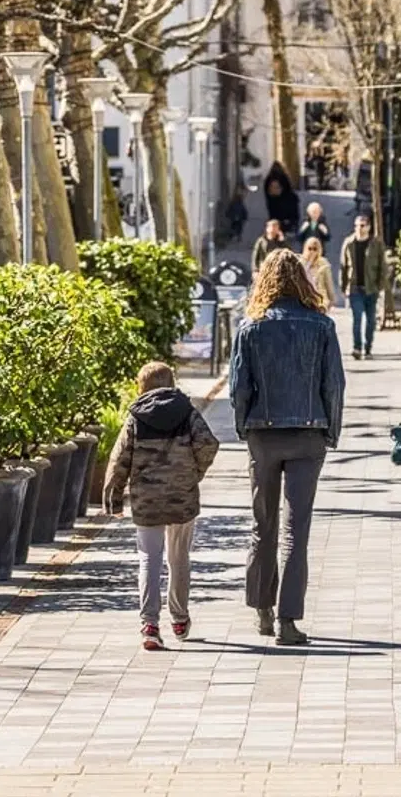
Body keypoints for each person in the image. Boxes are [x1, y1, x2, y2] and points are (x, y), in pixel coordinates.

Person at [230, 249, 345, 646]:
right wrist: (332, 430)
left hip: (263, 432)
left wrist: (244, 428)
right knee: (296, 531)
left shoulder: (251, 328)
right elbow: (333, 386)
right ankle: (288, 621)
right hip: (308, 432)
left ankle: (261, 609)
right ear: (303, 281)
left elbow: (238, 388)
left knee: (263, 525)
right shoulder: (321, 326)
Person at [104, 361, 220, 650]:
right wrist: (193, 473)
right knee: (179, 558)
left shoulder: (136, 418)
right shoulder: (187, 412)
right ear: (172, 382)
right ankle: (179, 618)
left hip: (147, 499)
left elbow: (120, 460)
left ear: (140, 386)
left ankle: (150, 624)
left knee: (149, 558)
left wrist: (114, 498)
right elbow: (208, 444)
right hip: (182, 497)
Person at [339, 213, 386, 360]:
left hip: (371, 288)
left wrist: (380, 286)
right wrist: (343, 286)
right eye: (357, 226)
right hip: (355, 288)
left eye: (362, 226)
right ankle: (357, 347)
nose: (359, 228)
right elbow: (343, 266)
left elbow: (382, 267)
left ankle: (368, 347)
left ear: (369, 227)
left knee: (371, 320)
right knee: (357, 318)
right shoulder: (349, 243)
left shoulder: (376, 244)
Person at [263, 163, 301, 235]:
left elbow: (266, 190)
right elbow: (288, 189)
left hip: (272, 202)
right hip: (284, 202)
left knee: (275, 216)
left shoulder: (269, 178)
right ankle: (289, 228)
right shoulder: (283, 177)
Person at [301, 237, 337, 310]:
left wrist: (332, 299)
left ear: (319, 250)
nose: (312, 251)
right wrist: (309, 263)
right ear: (305, 249)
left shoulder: (323, 264)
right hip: (304, 299)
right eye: (309, 248)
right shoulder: (300, 263)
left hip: (319, 301)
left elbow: (328, 283)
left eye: (315, 249)